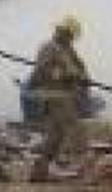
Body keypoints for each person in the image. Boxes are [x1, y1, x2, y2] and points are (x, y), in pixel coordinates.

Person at [28, 14, 90, 182]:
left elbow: (80, 67)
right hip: (54, 95)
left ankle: (41, 168)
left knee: (56, 135)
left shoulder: (68, 50)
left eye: (70, 36)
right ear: (61, 31)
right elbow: (43, 71)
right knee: (74, 127)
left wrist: (84, 78)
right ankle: (77, 163)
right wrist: (65, 76)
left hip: (66, 95)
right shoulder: (49, 47)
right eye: (66, 33)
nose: (69, 38)